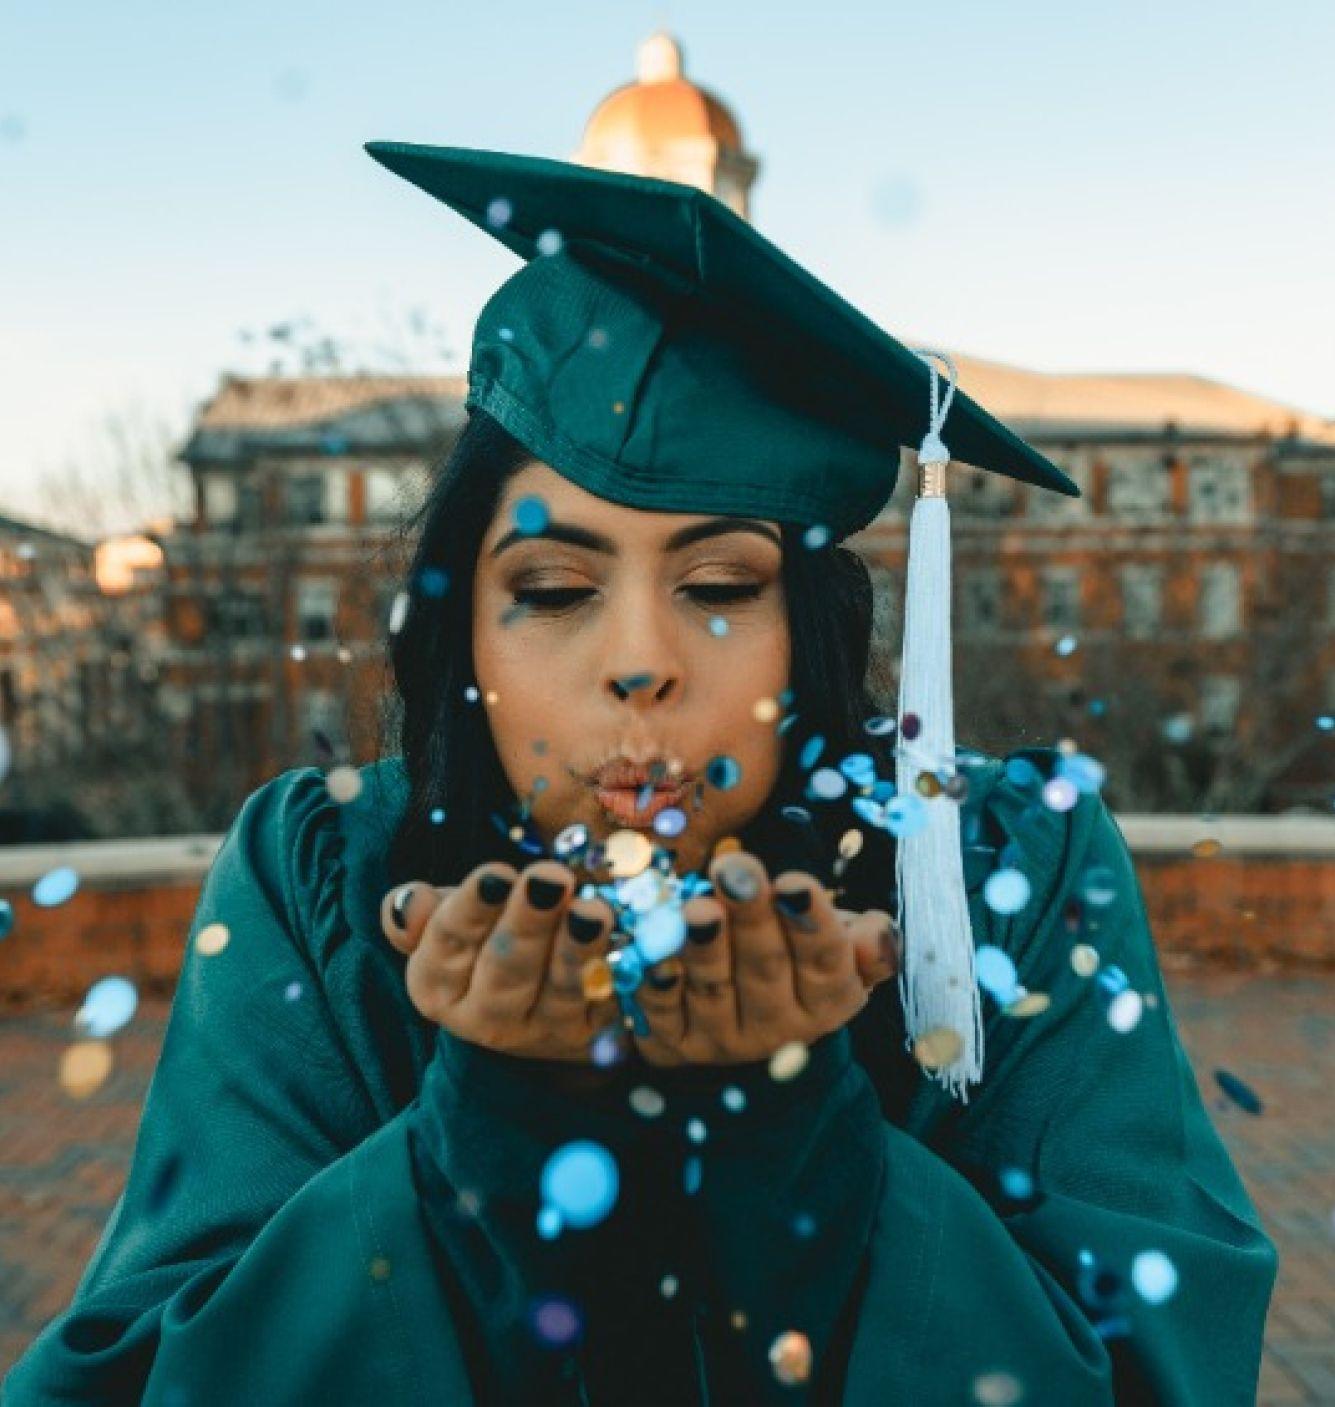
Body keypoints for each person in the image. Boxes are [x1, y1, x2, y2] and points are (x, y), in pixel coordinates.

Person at [3, 147, 1276, 1406]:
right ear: (464, 635)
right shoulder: (328, 875)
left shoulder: (997, 870)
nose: (640, 667)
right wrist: (479, 1138)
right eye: (553, 591)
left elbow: (1158, 1370)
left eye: (720, 587)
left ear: (812, 632)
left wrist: (805, 1146)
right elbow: (145, 1374)